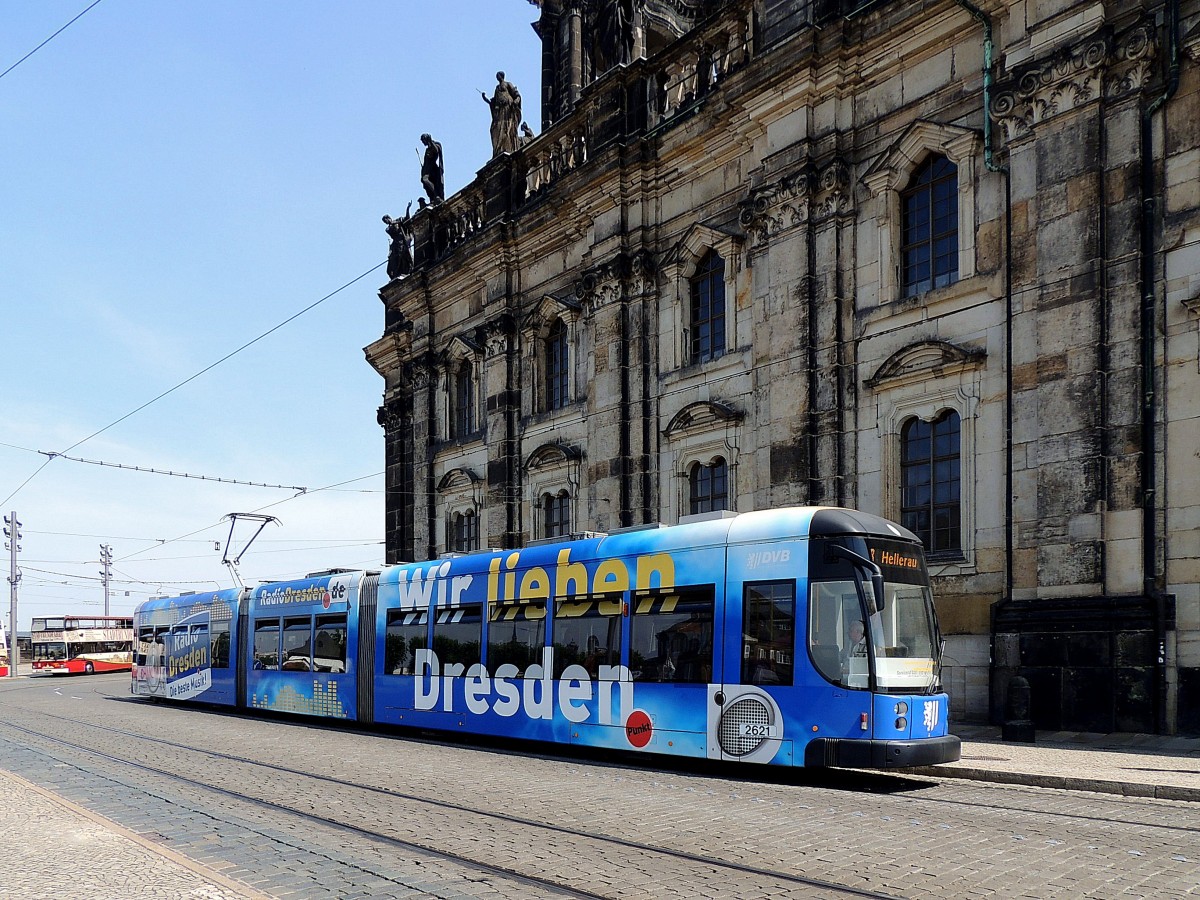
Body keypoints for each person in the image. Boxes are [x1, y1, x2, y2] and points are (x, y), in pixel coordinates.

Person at [481, 71, 522, 157]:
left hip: (508, 110)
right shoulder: (497, 88)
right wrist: (485, 98)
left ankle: (507, 147)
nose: (497, 77)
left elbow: (517, 94)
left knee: (507, 129)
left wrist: (516, 101)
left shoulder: (508, 84)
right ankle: (498, 149)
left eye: (498, 75)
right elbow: (494, 102)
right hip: (499, 112)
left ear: (502, 76)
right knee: (494, 129)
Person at [382, 204, 413, 280]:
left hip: (403, 241)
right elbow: (392, 232)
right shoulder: (388, 229)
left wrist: (407, 209)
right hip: (396, 244)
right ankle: (398, 272)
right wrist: (395, 223)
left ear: (389, 218)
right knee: (396, 258)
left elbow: (407, 219)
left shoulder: (399, 220)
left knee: (404, 256)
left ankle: (406, 270)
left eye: (386, 220)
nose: (386, 222)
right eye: (385, 222)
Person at [420, 133, 444, 205]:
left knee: (425, 179)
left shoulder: (434, 145)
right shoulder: (428, 149)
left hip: (432, 170)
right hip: (427, 170)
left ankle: (436, 194)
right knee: (424, 181)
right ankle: (433, 197)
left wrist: (430, 141)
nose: (423, 143)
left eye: (423, 141)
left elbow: (436, 150)